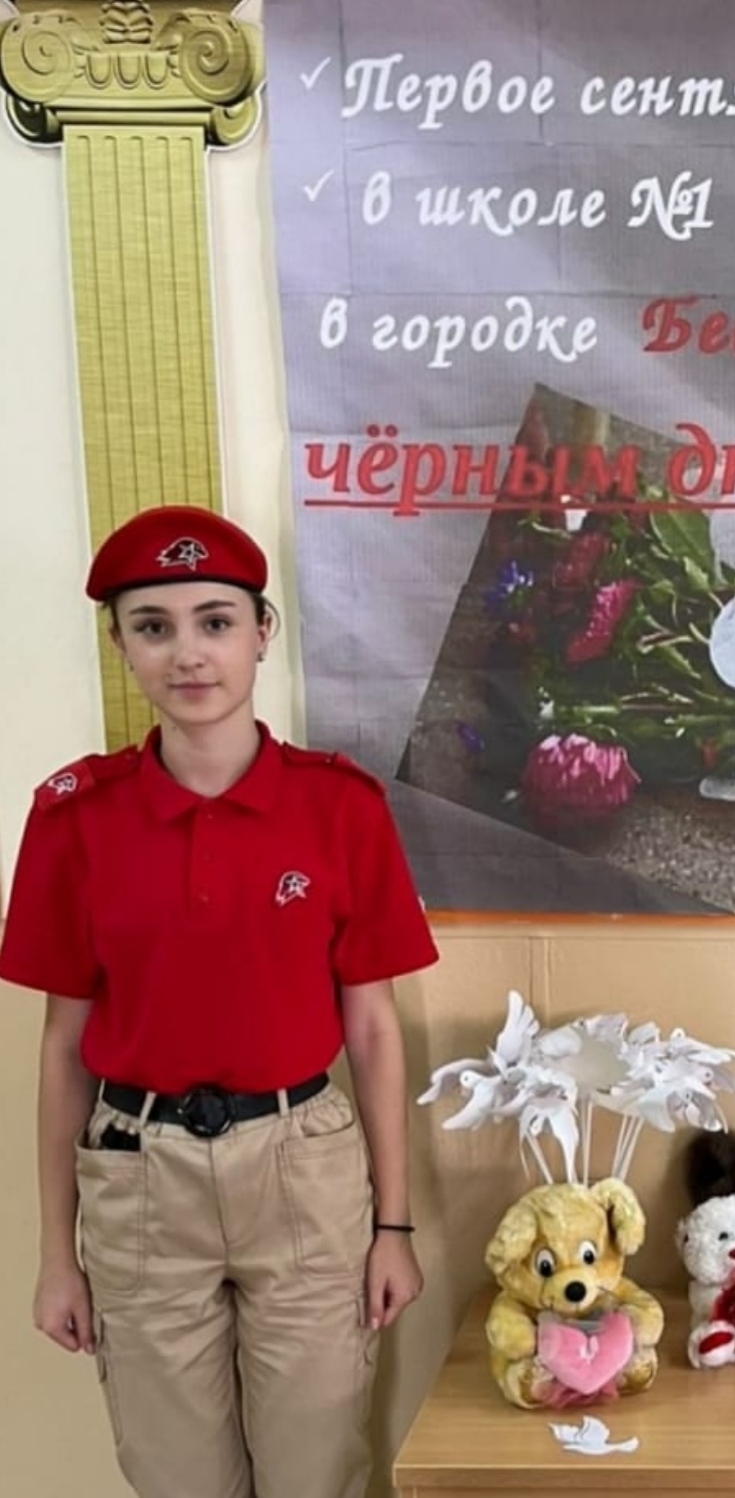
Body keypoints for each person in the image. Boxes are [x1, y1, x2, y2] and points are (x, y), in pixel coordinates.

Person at [0, 505, 440, 1498]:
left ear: (261, 632)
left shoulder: (339, 806)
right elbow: (63, 1047)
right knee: (176, 1476)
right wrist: (57, 1254)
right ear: (121, 645)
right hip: (139, 1180)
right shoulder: (74, 818)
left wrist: (394, 1228)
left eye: (215, 621)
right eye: (152, 626)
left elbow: (373, 1030)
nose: (188, 653)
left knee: (314, 1468)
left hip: (302, 1170)